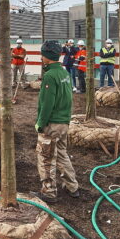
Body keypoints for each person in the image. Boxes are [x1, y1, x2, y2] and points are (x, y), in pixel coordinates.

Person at [31, 40, 78, 203]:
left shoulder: (50, 75)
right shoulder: (64, 73)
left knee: (46, 158)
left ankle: (48, 193)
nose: (41, 57)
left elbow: (47, 103)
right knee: (62, 155)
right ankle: (73, 187)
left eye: (42, 54)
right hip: (64, 122)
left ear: (47, 56)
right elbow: (69, 97)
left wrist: (40, 123)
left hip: (51, 124)